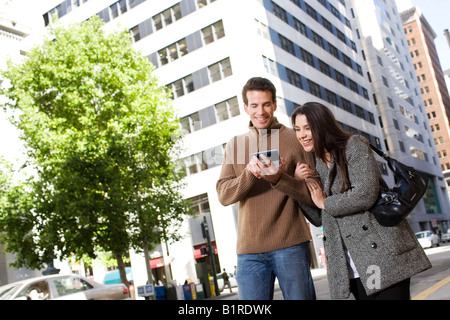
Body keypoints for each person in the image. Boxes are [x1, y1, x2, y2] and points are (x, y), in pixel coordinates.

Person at [291, 102, 432, 300]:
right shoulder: (316, 163)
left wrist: (326, 203)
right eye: (297, 129)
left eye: (307, 128)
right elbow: (319, 217)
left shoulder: (353, 145)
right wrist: (298, 185)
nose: (301, 135)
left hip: (380, 256)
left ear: (322, 125)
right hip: (352, 264)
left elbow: (365, 194)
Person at [216, 77, 317, 300]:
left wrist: (280, 178)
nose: (260, 111)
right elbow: (224, 195)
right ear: (245, 108)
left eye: (266, 104)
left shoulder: (295, 139)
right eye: (254, 105)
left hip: (290, 243)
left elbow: (315, 196)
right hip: (249, 252)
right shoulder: (235, 144)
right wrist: (250, 174)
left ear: (274, 104)